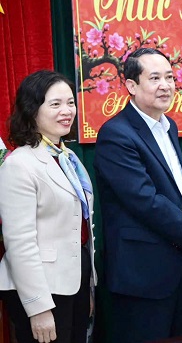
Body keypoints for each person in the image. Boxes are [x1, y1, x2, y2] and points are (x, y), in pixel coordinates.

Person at [93, 48, 182, 342]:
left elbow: (178, 194)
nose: (165, 85)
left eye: (169, 77)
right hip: (143, 276)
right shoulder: (116, 134)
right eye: (154, 78)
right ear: (131, 85)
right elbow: (146, 201)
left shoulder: (169, 127)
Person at [0, 70, 96, 343]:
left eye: (70, 103)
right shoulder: (19, 164)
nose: (67, 111)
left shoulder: (68, 157)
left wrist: (87, 288)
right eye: (55, 104)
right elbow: (20, 243)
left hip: (73, 281)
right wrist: (38, 307)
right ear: (32, 110)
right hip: (41, 288)